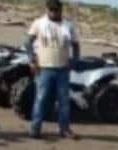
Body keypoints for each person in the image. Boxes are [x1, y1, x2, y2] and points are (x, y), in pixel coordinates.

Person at [26, 0, 81, 140]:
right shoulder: (39, 23)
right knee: (41, 98)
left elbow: (75, 45)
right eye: (51, 10)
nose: (53, 12)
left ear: (61, 10)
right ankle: (35, 128)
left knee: (63, 100)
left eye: (56, 10)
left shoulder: (68, 25)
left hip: (62, 69)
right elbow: (28, 43)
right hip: (44, 68)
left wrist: (74, 61)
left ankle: (65, 129)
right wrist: (32, 60)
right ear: (47, 9)